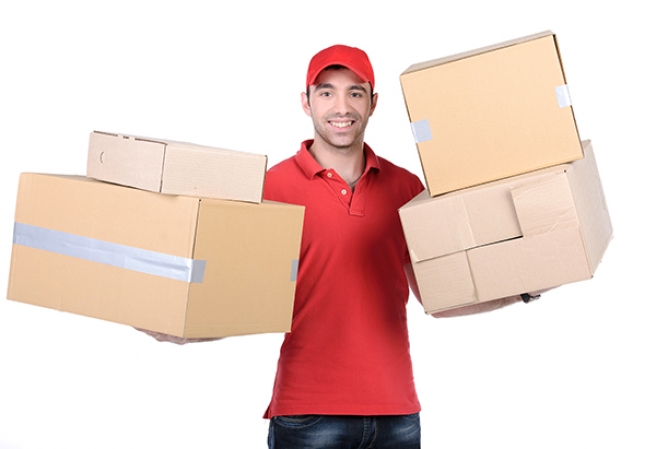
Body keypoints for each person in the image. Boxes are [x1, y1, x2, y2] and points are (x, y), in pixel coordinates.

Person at [141, 44, 543, 448]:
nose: (342, 107)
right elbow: (239, 298)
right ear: (306, 102)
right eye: (326, 92)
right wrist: (186, 330)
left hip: (397, 415)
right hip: (308, 414)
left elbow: (439, 299)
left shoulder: (406, 189)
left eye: (355, 93)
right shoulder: (270, 190)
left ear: (373, 103)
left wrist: (522, 290)